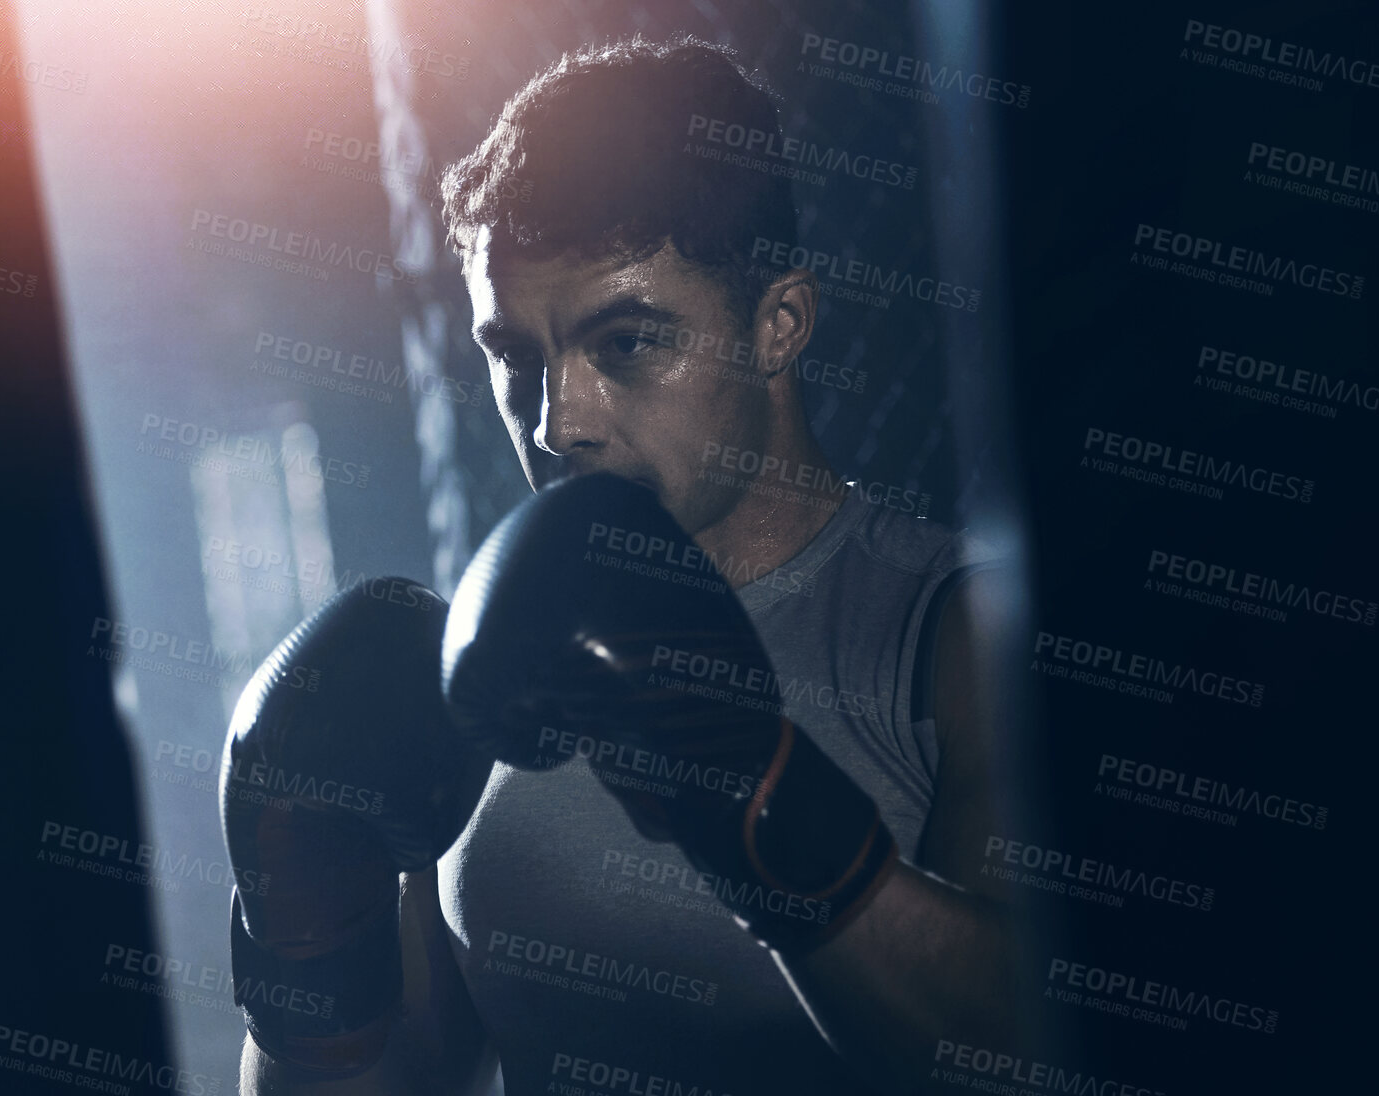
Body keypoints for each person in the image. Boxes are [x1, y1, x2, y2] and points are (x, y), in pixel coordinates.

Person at [228, 35, 1024, 1096]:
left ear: (778, 324)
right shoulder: (474, 666)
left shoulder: (952, 630)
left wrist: (752, 795)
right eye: (517, 357)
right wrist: (310, 943)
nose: (560, 422)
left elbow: (1043, 1055)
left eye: (629, 342)